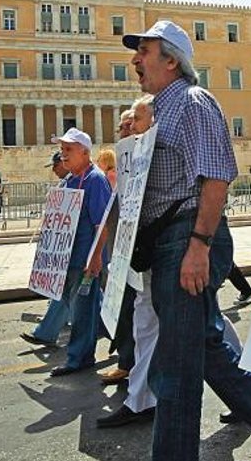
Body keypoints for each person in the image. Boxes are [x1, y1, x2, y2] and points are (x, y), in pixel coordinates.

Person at [122, 20, 251, 461]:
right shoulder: (158, 110)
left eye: (143, 52)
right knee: (201, 342)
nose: (135, 60)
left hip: (187, 238)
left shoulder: (191, 102)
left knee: (177, 366)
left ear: (170, 60)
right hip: (171, 239)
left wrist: (198, 246)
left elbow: (217, 176)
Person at [45, 127, 112, 377]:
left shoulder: (94, 179)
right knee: (80, 306)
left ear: (85, 152)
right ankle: (119, 334)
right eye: (62, 149)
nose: (63, 154)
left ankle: (79, 359)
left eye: (68, 149)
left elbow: (102, 223)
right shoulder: (70, 179)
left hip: (85, 258)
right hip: (67, 258)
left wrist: (95, 257)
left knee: (83, 310)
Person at [99, 97, 152, 387]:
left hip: (139, 250)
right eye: (121, 127)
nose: (122, 132)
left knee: (135, 310)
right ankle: (128, 363)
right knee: (125, 308)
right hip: (123, 248)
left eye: (128, 126)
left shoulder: (143, 159)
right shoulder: (125, 162)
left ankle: (131, 367)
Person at [21, 152, 72, 348]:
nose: (53, 170)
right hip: (67, 249)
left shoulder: (85, 179)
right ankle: (111, 329)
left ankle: (46, 332)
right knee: (81, 294)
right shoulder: (67, 182)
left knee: (65, 291)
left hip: (78, 250)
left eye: (55, 165)